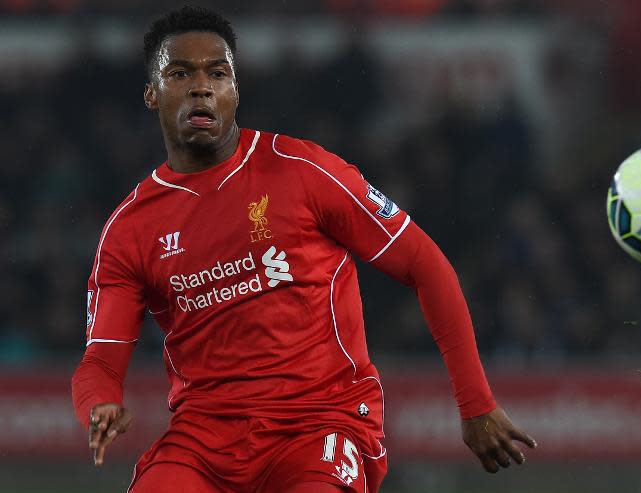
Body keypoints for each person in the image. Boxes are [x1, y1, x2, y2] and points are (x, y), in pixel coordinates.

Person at [70, 6, 536, 493]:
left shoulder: (304, 170)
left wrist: (476, 402)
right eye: (180, 73)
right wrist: (99, 403)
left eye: (218, 73)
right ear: (151, 94)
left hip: (320, 424)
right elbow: (100, 361)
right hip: (203, 441)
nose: (201, 86)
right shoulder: (130, 229)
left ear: (235, 91)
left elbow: (427, 266)